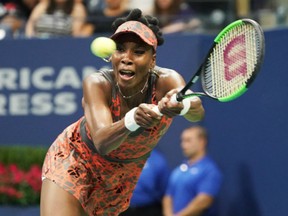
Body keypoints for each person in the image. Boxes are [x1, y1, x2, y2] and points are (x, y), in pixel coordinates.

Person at [40, 8, 205, 216]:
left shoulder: (168, 80)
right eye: (120, 49)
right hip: (75, 159)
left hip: (119, 177)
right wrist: (132, 119)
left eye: (138, 51)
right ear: (112, 55)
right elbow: (102, 142)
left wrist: (183, 105)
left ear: (153, 59)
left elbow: (197, 112)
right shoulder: (98, 83)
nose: (127, 58)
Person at [163, 126, 223, 216]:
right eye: (182, 141)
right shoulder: (178, 170)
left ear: (202, 142)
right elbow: (168, 196)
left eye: (188, 141)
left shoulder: (210, 170)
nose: (183, 145)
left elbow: (203, 201)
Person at [120, 149, 170, 216]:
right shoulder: (120, 156)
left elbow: (164, 191)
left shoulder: (157, 159)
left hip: (147, 209)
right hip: (122, 210)